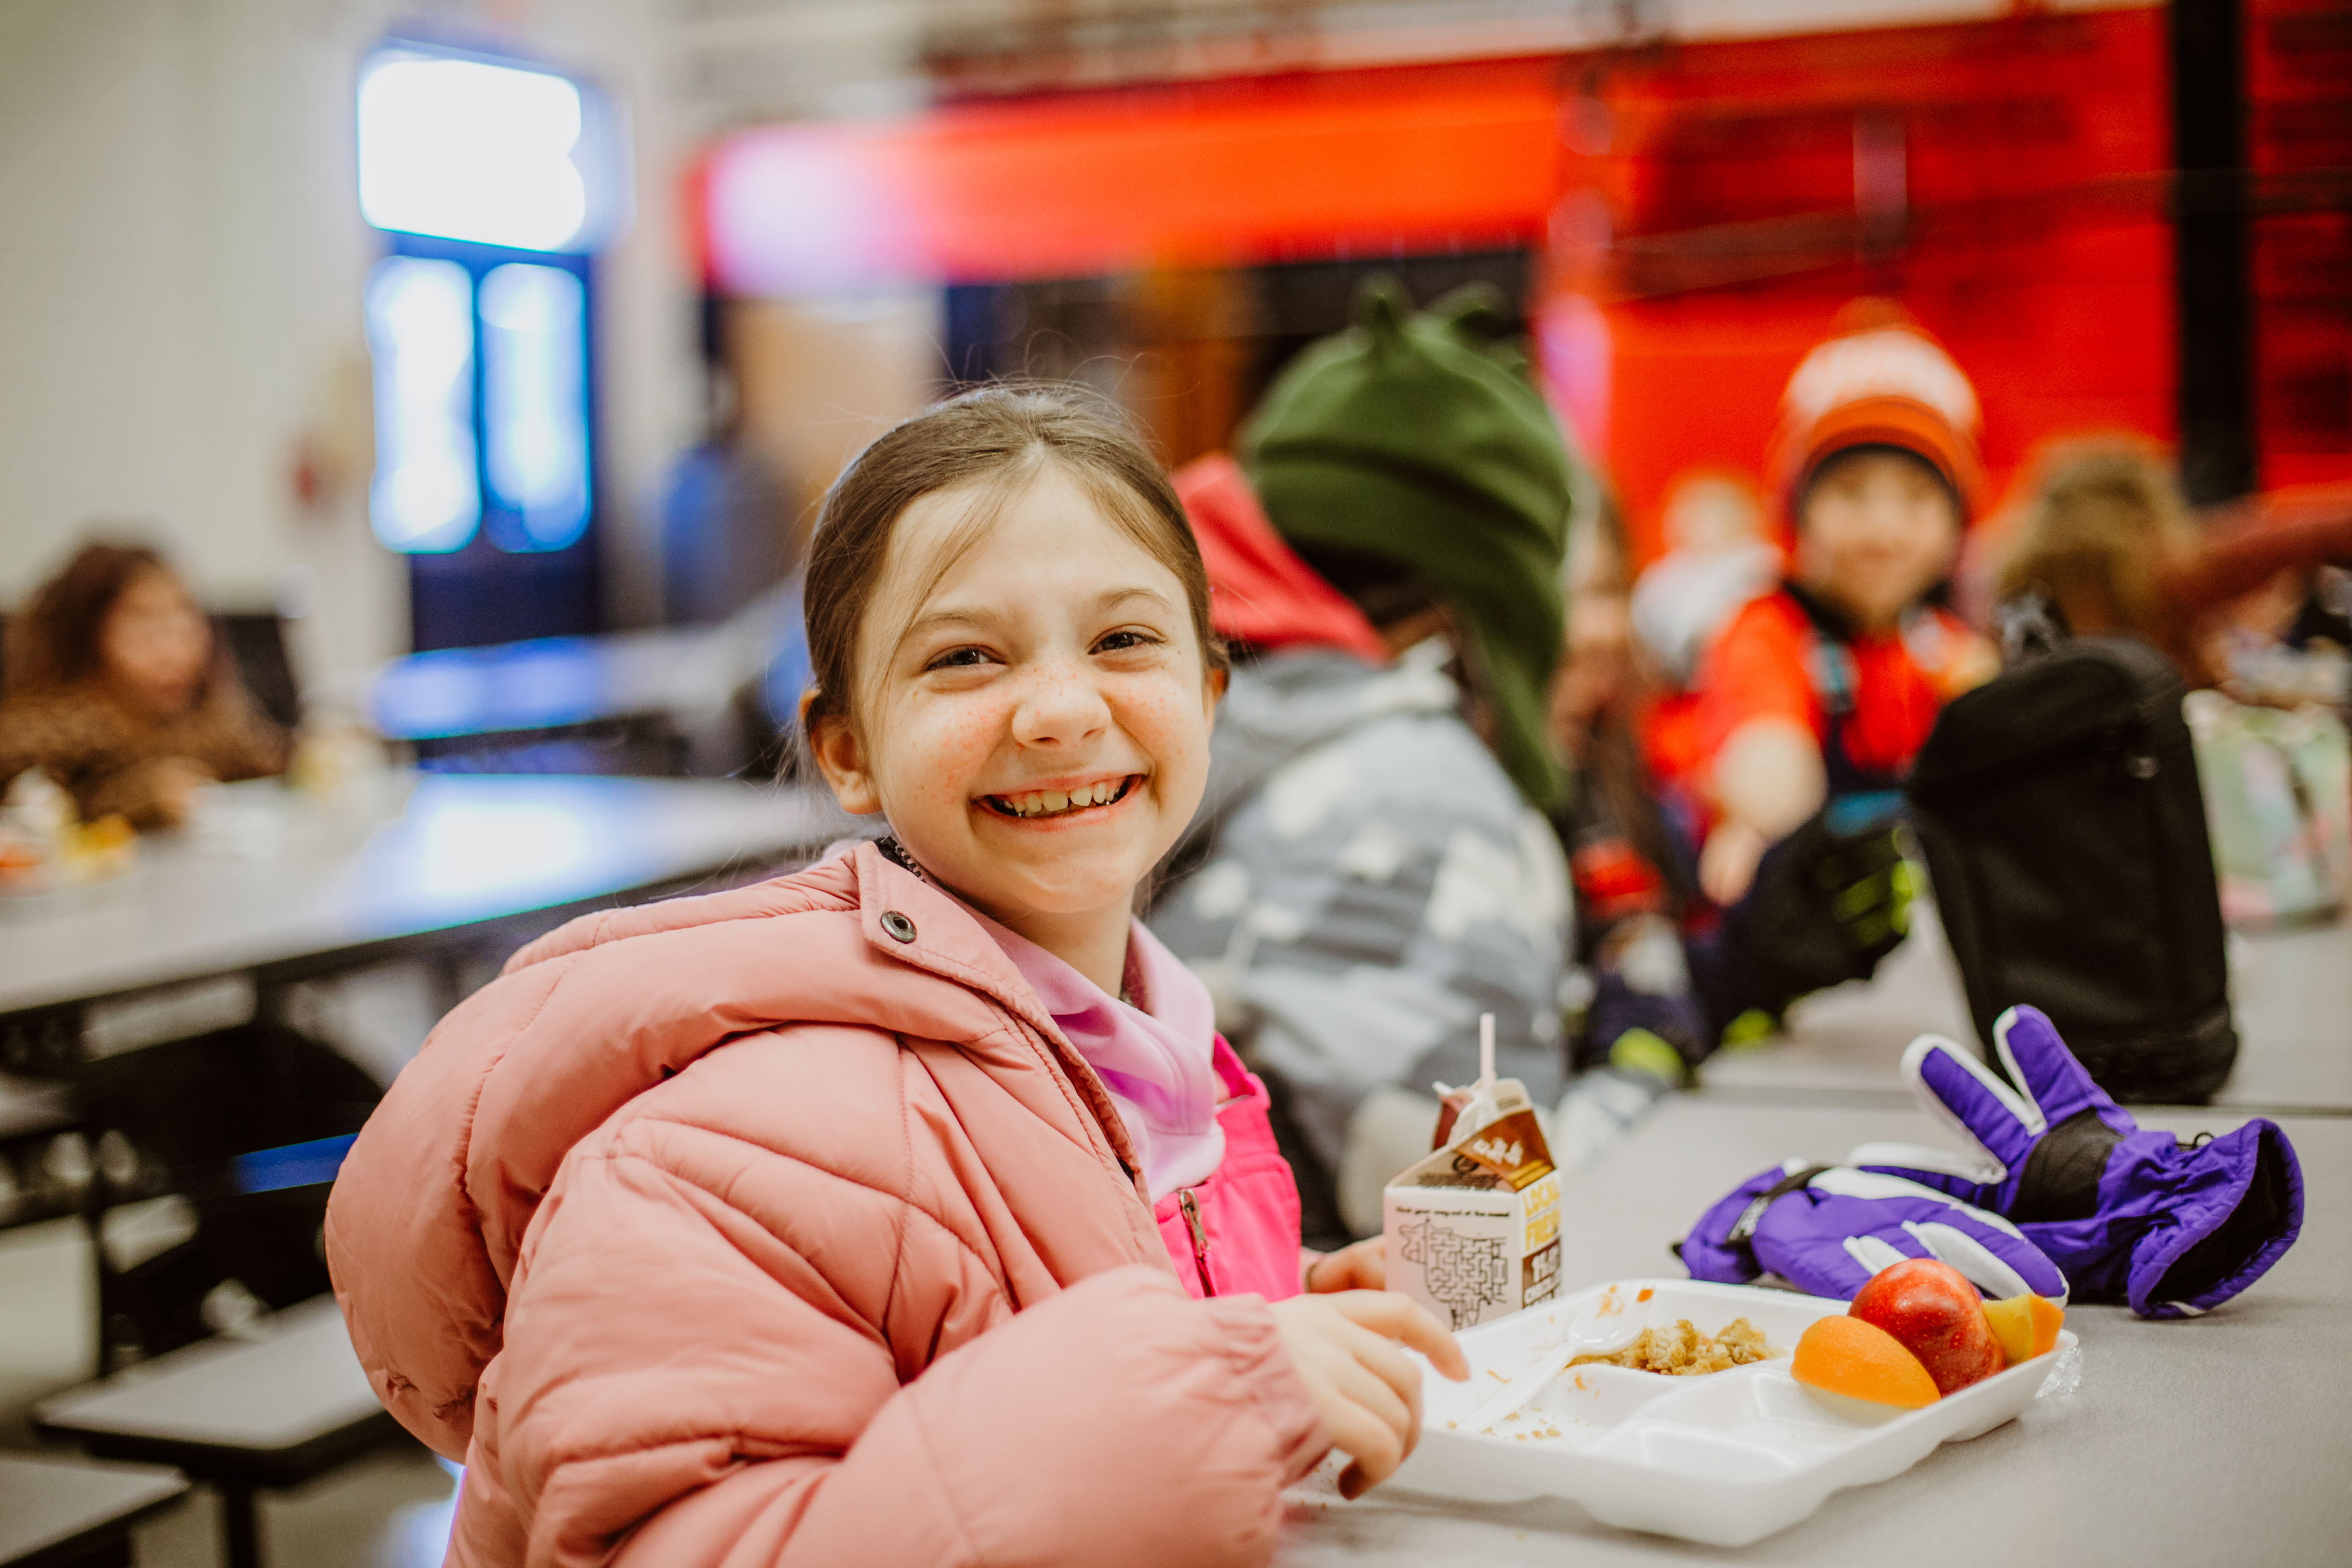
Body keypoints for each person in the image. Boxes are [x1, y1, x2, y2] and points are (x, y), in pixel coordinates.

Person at [326, 386, 1467, 1567]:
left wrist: (1284, 1329)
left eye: (1125, 640)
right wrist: (1204, 1397)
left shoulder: (1154, 1055)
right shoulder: (724, 1149)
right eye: (967, 658)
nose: (1065, 711)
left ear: (1209, 695)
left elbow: (1058, 1333)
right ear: (848, 751)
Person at [1149, 280, 1675, 1247]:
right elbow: (1479, 1215)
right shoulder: (1425, 791)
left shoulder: (1180, 708)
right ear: (1483, 602)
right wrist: (1648, 1063)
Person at [1687, 302, 1997, 909]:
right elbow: (1768, 773)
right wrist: (1753, 808)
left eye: (1915, 500)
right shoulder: (1768, 632)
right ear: (1799, 512)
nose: (1883, 530)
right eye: (1852, 496)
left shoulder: (1947, 651)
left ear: (1956, 527)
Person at [0, 541, 286, 829]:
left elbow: (276, 762)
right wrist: (137, 799)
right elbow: (42, 811)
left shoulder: (211, 724)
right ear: (83, 642)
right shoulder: (40, 739)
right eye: (144, 625)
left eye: (183, 618)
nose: (174, 651)